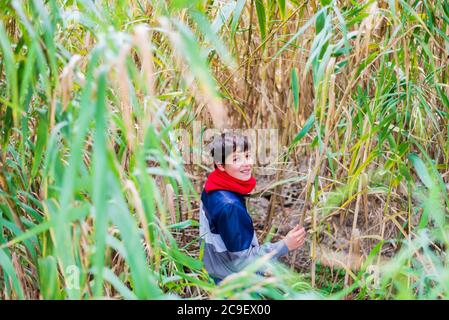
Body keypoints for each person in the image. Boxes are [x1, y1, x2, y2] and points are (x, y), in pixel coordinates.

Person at [199, 132, 306, 285]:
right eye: (236, 159)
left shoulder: (212, 185)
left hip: (216, 268)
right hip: (232, 283)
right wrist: (285, 245)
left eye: (248, 156)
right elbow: (245, 262)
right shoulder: (230, 206)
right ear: (220, 165)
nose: (247, 163)